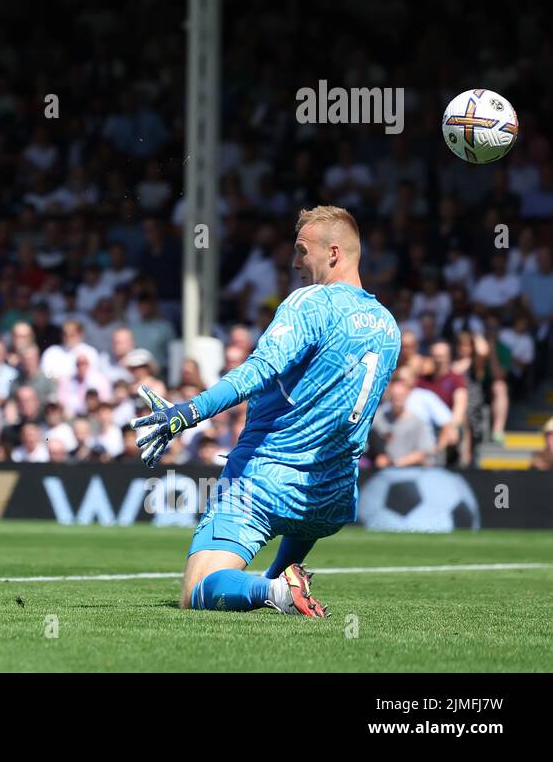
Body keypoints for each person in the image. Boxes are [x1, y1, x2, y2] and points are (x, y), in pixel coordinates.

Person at [131, 206, 399, 617]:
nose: (294, 263)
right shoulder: (388, 325)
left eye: (300, 251)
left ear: (332, 254)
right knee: (277, 561)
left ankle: (275, 591)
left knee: (196, 589)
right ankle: (284, 580)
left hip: (267, 480)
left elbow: (261, 369)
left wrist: (188, 411)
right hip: (332, 498)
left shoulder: (311, 302)